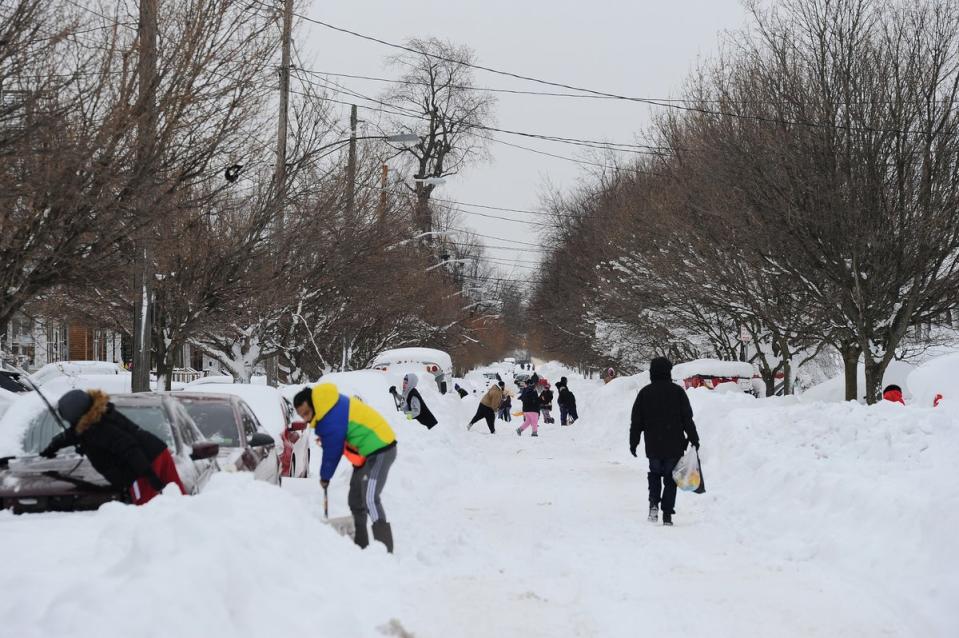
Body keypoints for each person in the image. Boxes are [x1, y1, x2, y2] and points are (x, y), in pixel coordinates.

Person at [294, 383, 397, 552]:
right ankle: (361, 547)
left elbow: (332, 451)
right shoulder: (328, 407)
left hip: (381, 448)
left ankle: (386, 552)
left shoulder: (329, 414)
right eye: (301, 415)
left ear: (313, 404)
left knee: (370, 498)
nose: (305, 419)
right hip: (366, 454)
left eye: (306, 413)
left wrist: (325, 477)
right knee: (355, 499)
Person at [39, 389, 186, 505]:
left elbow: (130, 448)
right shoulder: (96, 418)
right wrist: (52, 447)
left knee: (145, 509)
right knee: (180, 499)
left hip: (143, 465)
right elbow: (71, 435)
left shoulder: (100, 428)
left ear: (76, 416)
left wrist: (149, 475)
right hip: (158, 451)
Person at [629, 357, 700, 526]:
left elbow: (637, 421)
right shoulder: (678, 392)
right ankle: (667, 513)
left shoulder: (645, 393)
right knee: (670, 478)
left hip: (653, 443)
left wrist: (634, 441)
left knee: (654, 474)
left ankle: (654, 504)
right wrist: (694, 438)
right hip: (674, 444)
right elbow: (687, 419)